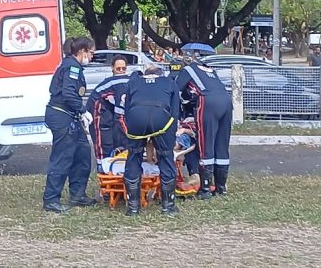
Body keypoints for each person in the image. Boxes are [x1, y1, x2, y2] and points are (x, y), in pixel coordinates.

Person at [42, 37, 97, 213]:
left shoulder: (73, 66)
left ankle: (77, 194)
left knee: (82, 154)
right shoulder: (71, 67)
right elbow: (68, 94)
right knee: (62, 157)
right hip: (62, 115)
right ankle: (51, 199)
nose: (92, 57)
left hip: (70, 116)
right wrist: (83, 110)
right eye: (91, 53)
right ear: (82, 51)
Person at [119, 65, 180, 216]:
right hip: (161, 116)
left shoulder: (133, 82)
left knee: (134, 156)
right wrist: (170, 137)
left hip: (136, 116)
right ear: (160, 74)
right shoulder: (169, 82)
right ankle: (168, 206)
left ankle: (133, 207)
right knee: (165, 157)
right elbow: (175, 112)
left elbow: (126, 109)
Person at [175, 56, 232, 199]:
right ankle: (221, 187)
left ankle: (205, 188)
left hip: (208, 101)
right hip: (226, 101)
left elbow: (175, 91)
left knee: (206, 142)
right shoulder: (210, 71)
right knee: (221, 144)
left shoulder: (188, 70)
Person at [86, 55, 130, 171]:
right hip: (98, 112)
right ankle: (102, 169)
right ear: (112, 68)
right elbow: (120, 114)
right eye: (118, 68)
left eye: (123, 68)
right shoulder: (119, 82)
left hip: (108, 112)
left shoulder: (125, 81)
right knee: (103, 143)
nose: (121, 71)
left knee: (118, 141)